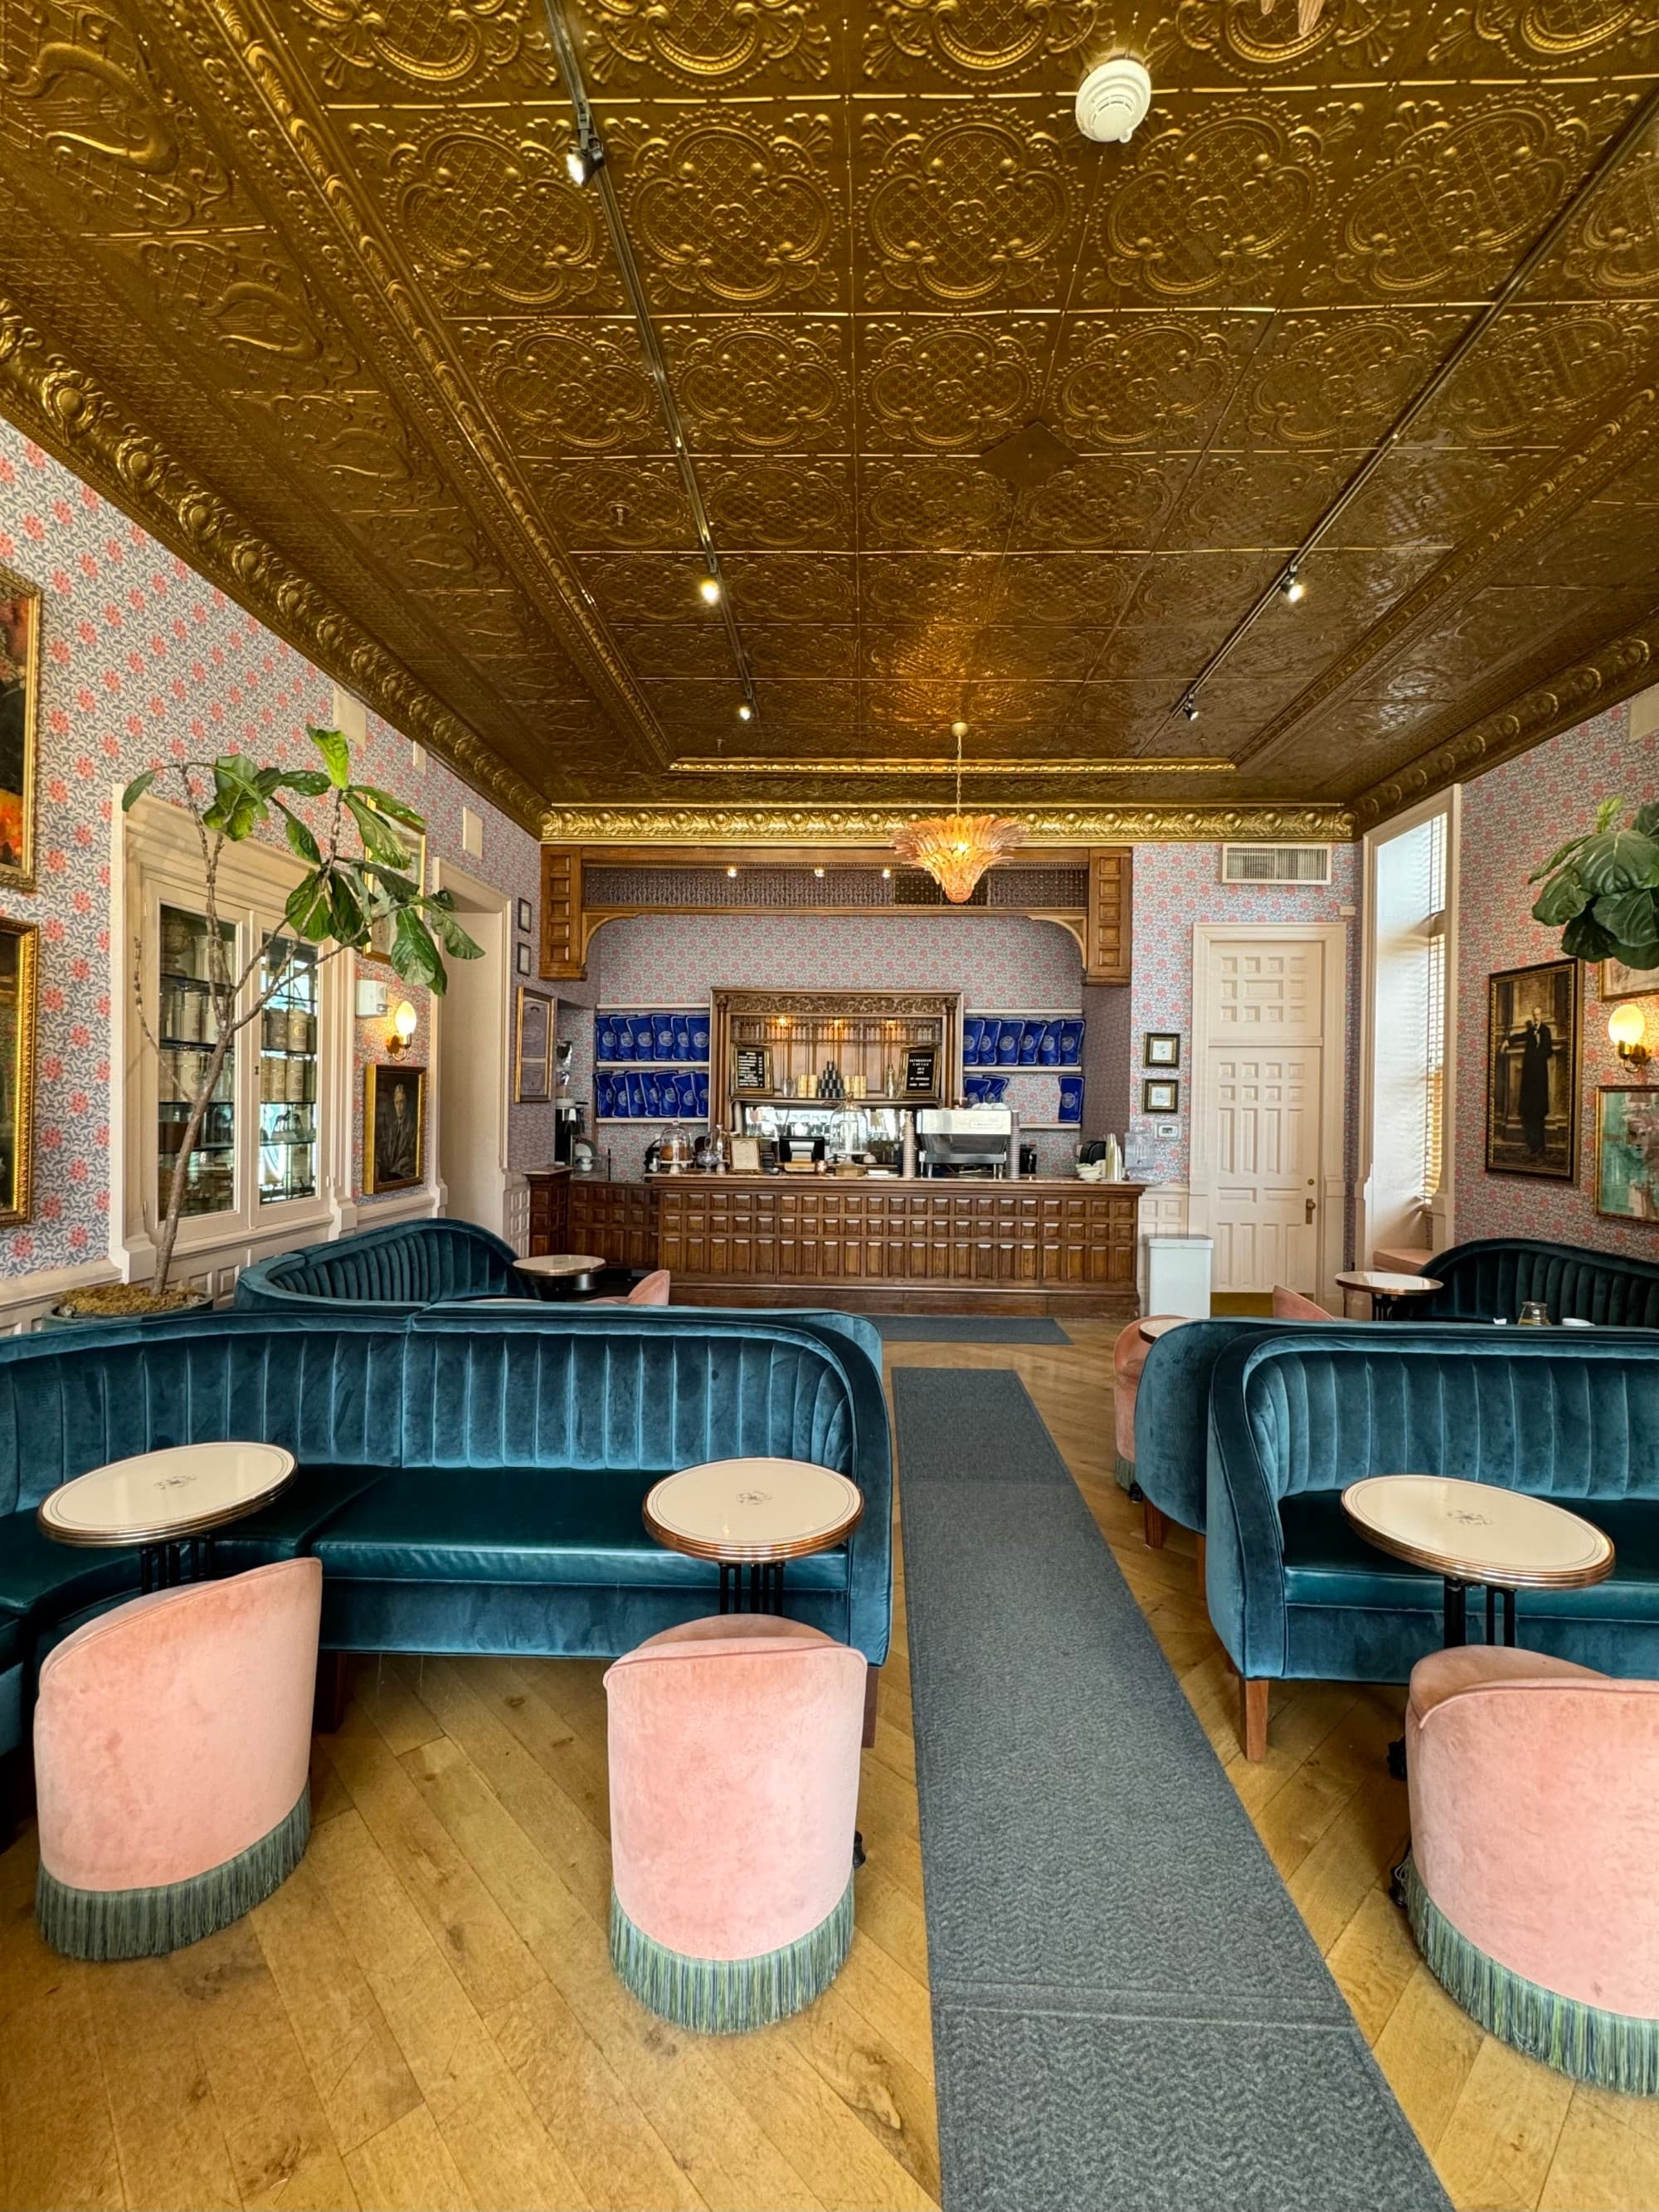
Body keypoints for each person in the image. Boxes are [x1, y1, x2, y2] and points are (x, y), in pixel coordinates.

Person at [1516, 999, 1554, 1159]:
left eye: (1538, 1015)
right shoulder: (1531, 1031)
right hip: (1529, 1079)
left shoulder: (1545, 1031)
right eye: (1534, 1015)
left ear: (1542, 1016)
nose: (1536, 1017)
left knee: (1539, 1114)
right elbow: (1521, 1036)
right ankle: (1533, 1147)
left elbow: (1549, 1051)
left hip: (1539, 1079)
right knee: (1529, 1114)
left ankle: (1541, 1147)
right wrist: (1507, 1040)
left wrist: (1537, 1053)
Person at [375, 1074, 419, 1186]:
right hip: (390, 1175)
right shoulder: (392, 1128)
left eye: (402, 1102)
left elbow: (412, 1157)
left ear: (406, 1103)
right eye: (397, 1103)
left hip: (403, 1175)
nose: (399, 1107)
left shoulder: (412, 1127)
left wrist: (396, 1169)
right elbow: (383, 1152)